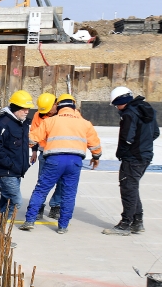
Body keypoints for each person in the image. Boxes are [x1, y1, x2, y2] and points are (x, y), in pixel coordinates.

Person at [20, 96, 101, 234]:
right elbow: (95, 145)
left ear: (58, 107)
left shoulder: (50, 121)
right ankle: (63, 226)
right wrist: (96, 157)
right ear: (74, 107)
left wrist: (30, 146)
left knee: (41, 189)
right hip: (75, 161)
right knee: (69, 194)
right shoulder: (85, 123)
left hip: (54, 159)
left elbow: (32, 139)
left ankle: (30, 220)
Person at [103, 86, 160, 236]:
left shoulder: (129, 114)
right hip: (146, 155)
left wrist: (122, 153)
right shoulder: (147, 109)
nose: (117, 108)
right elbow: (155, 133)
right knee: (132, 187)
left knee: (128, 188)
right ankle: (137, 222)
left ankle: (125, 224)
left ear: (122, 101)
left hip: (132, 158)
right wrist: (144, 144)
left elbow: (127, 138)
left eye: (117, 104)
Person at [0, 90, 34, 217]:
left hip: (16, 172)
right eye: (24, 108)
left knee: (5, 202)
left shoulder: (23, 124)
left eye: (28, 109)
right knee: (16, 202)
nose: (27, 111)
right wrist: (10, 164)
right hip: (5, 172)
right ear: (15, 108)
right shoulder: (3, 123)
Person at [29, 92, 65, 219]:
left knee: (61, 181)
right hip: (44, 153)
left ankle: (56, 206)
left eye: (49, 110)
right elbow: (33, 133)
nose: (47, 113)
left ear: (56, 105)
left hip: (60, 152)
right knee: (43, 181)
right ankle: (39, 206)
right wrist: (34, 151)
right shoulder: (38, 115)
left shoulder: (63, 115)